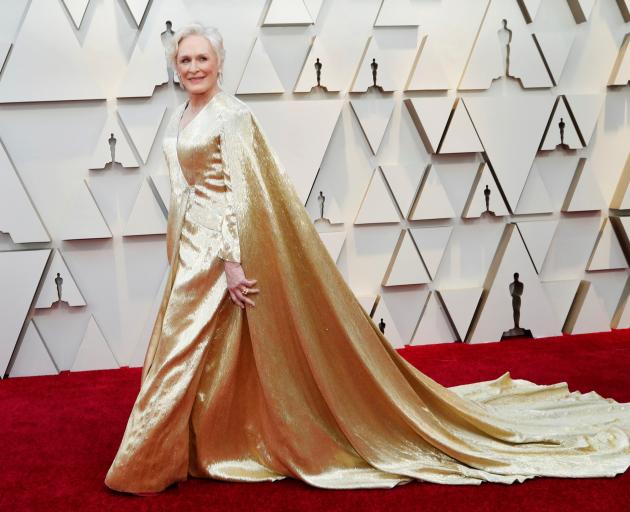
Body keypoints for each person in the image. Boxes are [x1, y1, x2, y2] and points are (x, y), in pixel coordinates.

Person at [104, 23, 630, 495]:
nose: (194, 67)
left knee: (182, 352)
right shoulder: (183, 112)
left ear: (219, 63)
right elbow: (186, 187)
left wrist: (232, 263)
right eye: (185, 60)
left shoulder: (233, 116)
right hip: (191, 251)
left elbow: (243, 196)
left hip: (219, 256)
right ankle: (209, 446)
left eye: (202, 59)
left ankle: (146, 464)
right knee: (218, 354)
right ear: (175, 66)